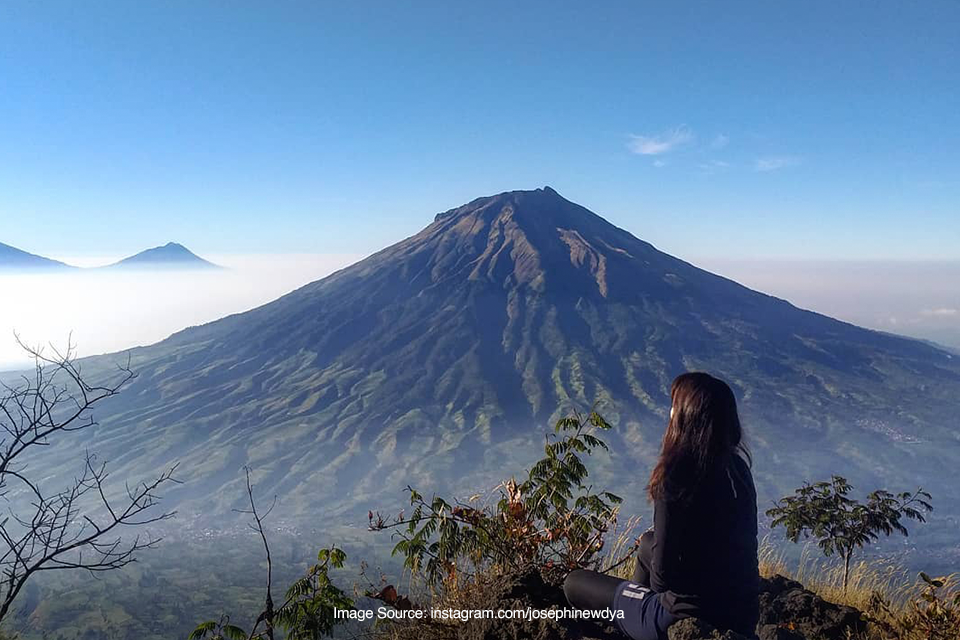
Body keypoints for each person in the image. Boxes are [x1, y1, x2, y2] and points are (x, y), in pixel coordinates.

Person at [563, 372, 759, 640]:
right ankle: (636, 616)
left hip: (687, 618)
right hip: (742, 615)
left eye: (673, 406)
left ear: (684, 418)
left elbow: (661, 581)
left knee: (574, 582)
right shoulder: (738, 469)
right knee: (647, 542)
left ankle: (636, 621)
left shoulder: (677, 476)